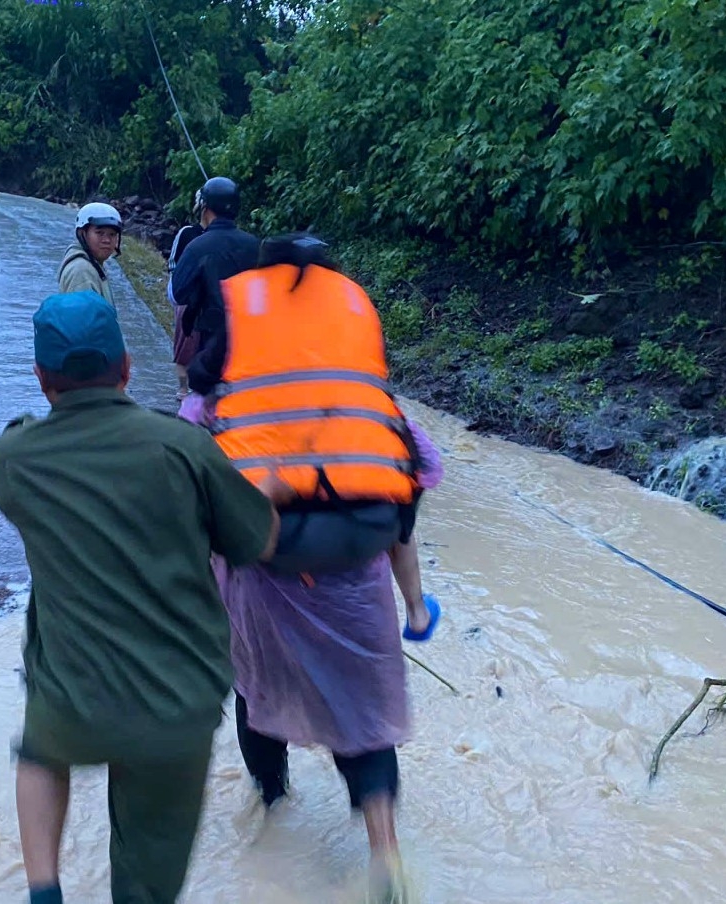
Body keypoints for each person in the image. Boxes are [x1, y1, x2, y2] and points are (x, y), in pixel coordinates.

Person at [0, 290, 292, 904]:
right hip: (174, 706)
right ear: (126, 367)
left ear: (41, 379)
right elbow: (258, 544)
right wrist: (269, 491)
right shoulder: (181, 447)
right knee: (147, 885)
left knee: (41, 751)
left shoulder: (12, 460)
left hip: (72, 698)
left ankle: (44, 889)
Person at [180, 234, 446, 900]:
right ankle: (384, 852)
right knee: (361, 714)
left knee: (254, 688)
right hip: (355, 568)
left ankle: (270, 810)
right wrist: (415, 607)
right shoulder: (365, 389)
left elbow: (190, 471)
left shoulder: (229, 370)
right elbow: (420, 475)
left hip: (264, 568)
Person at [168, 176, 261, 396]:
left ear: (204, 207)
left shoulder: (197, 246)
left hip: (210, 344)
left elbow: (177, 294)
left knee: (208, 406)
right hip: (250, 343)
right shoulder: (256, 246)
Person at [167, 220, 204, 401]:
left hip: (212, 301)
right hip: (188, 298)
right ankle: (183, 388)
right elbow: (173, 265)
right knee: (184, 346)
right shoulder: (187, 233)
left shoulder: (224, 237)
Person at [57, 202, 122, 305]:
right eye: (100, 233)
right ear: (82, 233)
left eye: (112, 234)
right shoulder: (82, 271)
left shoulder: (92, 264)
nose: (107, 240)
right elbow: (82, 319)